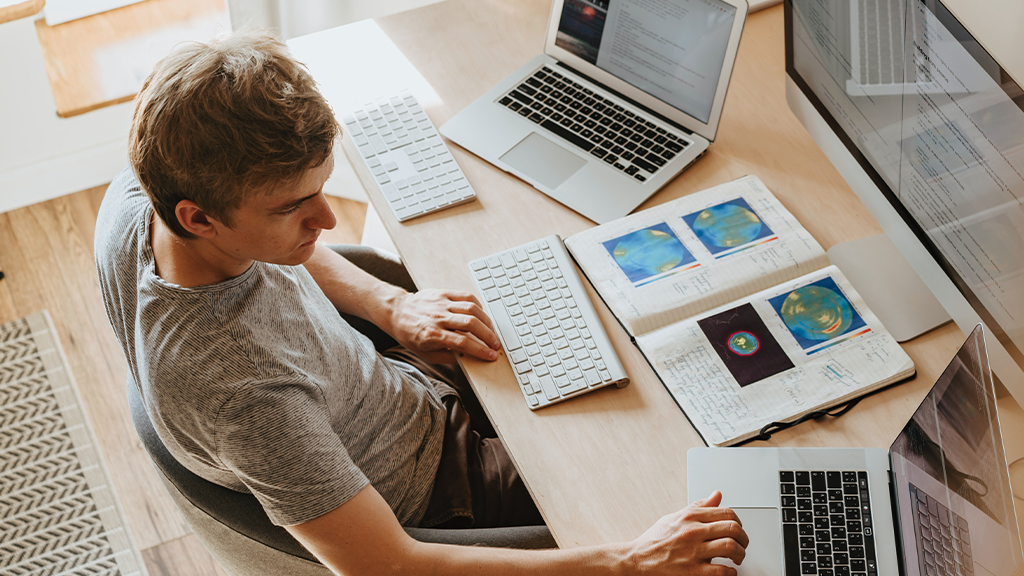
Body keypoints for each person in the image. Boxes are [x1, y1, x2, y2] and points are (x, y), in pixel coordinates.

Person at [95, 29, 748, 575]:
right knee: (704, 491)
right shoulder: (241, 394)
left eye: (320, 188)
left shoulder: (145, 190)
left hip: (392, 387)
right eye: (294, 207)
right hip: (444, 490)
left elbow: (289, 249)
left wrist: (389, 307)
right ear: (199, 218)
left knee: (616, 322)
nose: (326, 219)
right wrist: (630, 562)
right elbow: (388, 565)